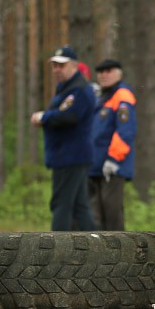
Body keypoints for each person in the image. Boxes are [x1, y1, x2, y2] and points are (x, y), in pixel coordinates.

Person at [30, 45, 96, 231]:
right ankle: (97, 250)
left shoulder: (78, 90)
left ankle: (56, 252)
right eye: (54, 66)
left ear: (73, 66)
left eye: (61, 65)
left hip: (70, 156)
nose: (56, 70)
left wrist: (44, 117)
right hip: (69, 156)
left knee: (61, 204)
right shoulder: (67, 89)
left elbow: (69, 116)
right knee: (79, 207)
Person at [88, 59, 137, 231]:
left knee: (112, 214)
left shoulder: (122, 95)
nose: (104, 74)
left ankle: (119, 254)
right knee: (95, 216)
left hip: (112, 166)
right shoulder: (100, 96)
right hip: (95, 166)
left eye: (108, 71)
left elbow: (126, 130)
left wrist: (114, 159)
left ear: (118, 73)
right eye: (101, 71)